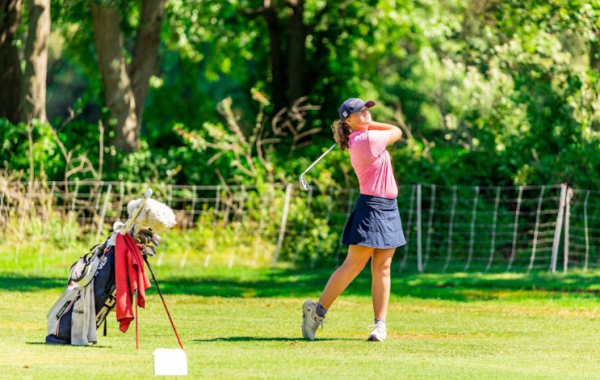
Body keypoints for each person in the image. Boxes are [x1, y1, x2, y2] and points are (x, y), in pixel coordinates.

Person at [301, 98, 405, 342]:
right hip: (371, 207)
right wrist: (367, 126)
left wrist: (362, 124)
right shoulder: (366, 140)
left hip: (388, 207)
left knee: (383, 268)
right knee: (353, 265)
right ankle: (316, 314)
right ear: (347, 120)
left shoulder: (361, 136)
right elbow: (397, 131)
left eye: (367, 109)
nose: (366, 113)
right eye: (359, 112)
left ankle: (380, 326)